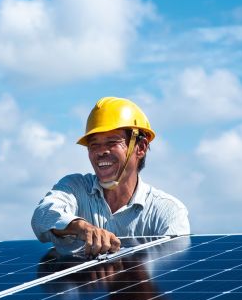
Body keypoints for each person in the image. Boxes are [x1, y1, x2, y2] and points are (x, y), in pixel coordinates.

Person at [31, 96, 190, 257]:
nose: (101, 152)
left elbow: (172, 266)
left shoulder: (167, 211)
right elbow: (42, 216)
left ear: (140, 147)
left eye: (112, 142)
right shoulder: (74, 188)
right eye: (94, 145)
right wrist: (82, 228)